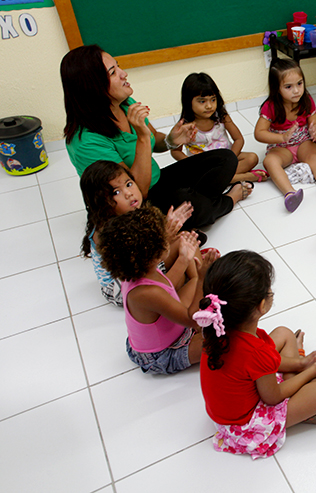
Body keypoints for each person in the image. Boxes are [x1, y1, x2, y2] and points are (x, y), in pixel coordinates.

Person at [61, 45, 248, 231]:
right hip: (137, 204)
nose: (124, 73)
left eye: (118, 66)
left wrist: (172, 139)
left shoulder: (124, 104)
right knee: (198, 207)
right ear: (92, 86)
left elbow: (156, 141)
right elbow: (135, 193)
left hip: (156, 180)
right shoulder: (86, 141)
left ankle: (191, 206)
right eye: (113, 72)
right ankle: (229, 199)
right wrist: (142, 136)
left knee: (225, 158)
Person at [195, 250, 316, 459]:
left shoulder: (216, 328)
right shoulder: (256, 353)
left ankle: (300, 394)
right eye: (269, 290)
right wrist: (311, 370)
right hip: (244, 425)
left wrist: (301, 363)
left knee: (284, 333)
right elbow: (272, 397)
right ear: (261, 305)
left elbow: (261, 363)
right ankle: (300, 412)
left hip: (226, 409)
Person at [97, 206, 216, 374]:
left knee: (196, 280)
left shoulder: (136, 269)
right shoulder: (147, 293)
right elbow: (192, 321)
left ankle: (197, 280)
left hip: (173, 326)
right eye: (163, 238)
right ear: (153, 253)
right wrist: (203, 278)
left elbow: (167, 287)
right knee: (220, 342)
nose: (169, 238)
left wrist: (184, 260)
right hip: (160, 355)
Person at [79, 160, 196, 307]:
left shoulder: (131, 214)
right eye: (116, 192)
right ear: (101, 203)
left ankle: (198, 281)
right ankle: (181, 302)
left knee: (185, 241)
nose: (128, 193)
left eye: (128, 184)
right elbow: (141, 265)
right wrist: (165, 236)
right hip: (122, 287)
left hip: (139, 267)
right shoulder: (108, 232)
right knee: (180, 248)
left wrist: (168, 229)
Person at [255, 59, 316, 212]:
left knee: (313, 158)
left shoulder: (306, 100)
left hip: (304, 142)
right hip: (281, 147)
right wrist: (282, 138)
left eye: (299, 84)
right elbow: (259, 133)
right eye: (288, 86)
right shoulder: (271, 107)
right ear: (277, 88)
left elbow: (315, 123)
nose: (296, 91)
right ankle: (290, 193)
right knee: (270, 161)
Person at [172, 72, 264, 185]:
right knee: (192, 177)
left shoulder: (222, 117)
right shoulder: (185, 126)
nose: (209, 106)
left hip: (226, 158)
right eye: (202, 101)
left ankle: (222, 179)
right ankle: (242, 177)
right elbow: (176, 151)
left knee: (252, 158)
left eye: (213, 99)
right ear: (188, 101)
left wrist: (230, 160)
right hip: (203, 166)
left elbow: (239, 139)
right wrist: (192, 164)